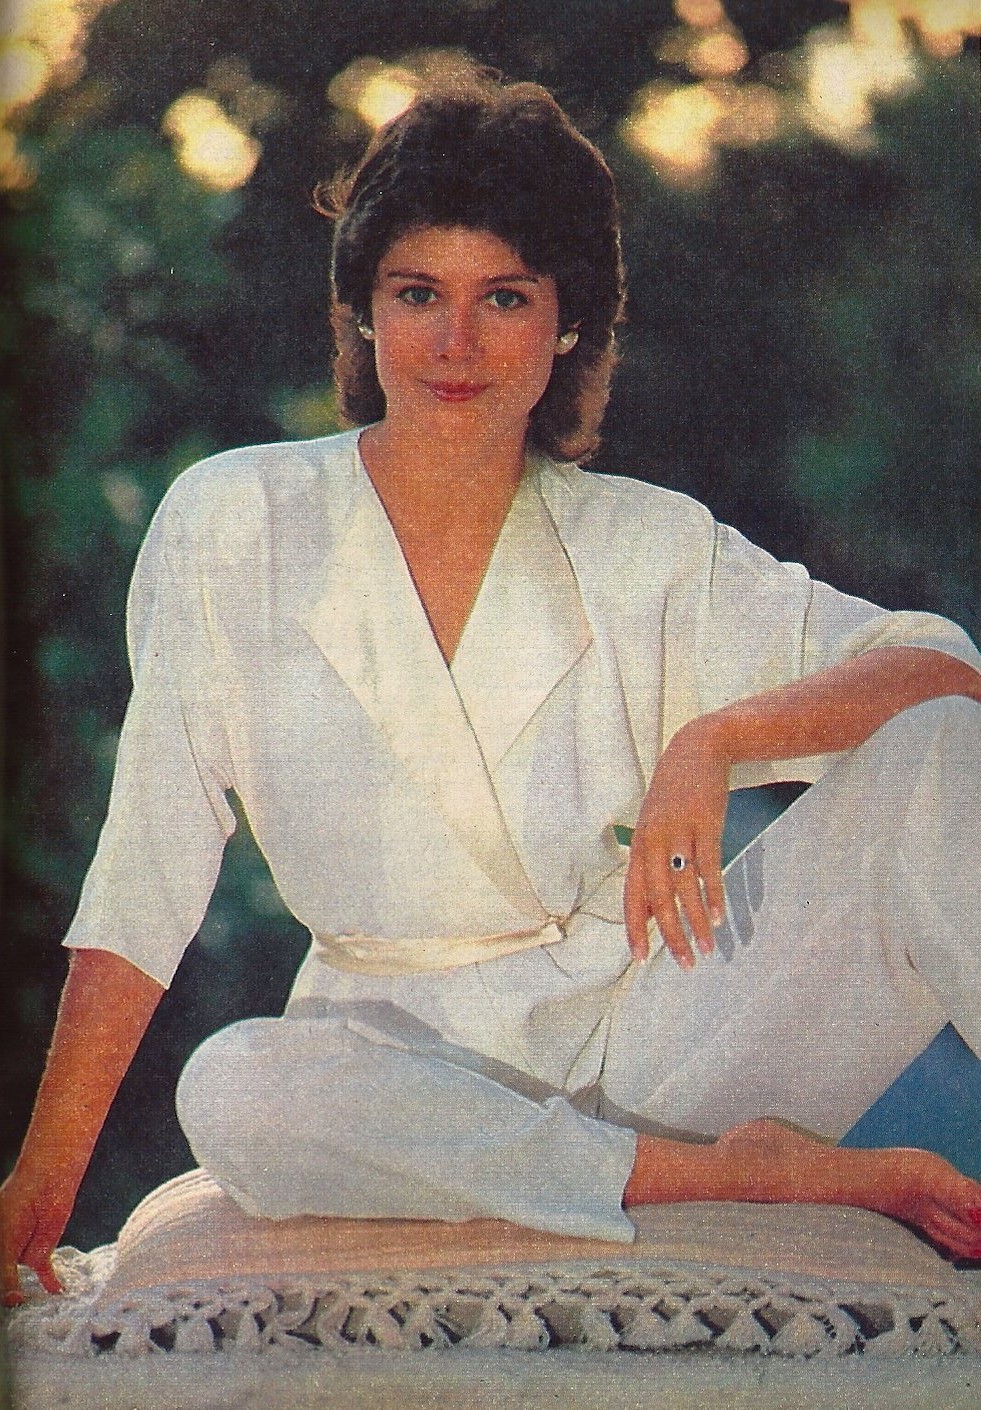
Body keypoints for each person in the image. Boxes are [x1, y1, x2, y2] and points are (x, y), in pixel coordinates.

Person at [3, 67, 981, 1307]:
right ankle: (736, 1176)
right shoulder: (235, 521)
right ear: (363, 311)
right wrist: (37, 1186)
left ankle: (685, 1161)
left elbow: (944, 668)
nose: (454, 345)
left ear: (569, 324)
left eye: (504, 297)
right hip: (392, 1079)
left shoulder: (644, 544)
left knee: (945, 755)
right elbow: (145, 873)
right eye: (418, 294)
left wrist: (720, 740)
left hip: (661, 1044)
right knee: (234, 1084)